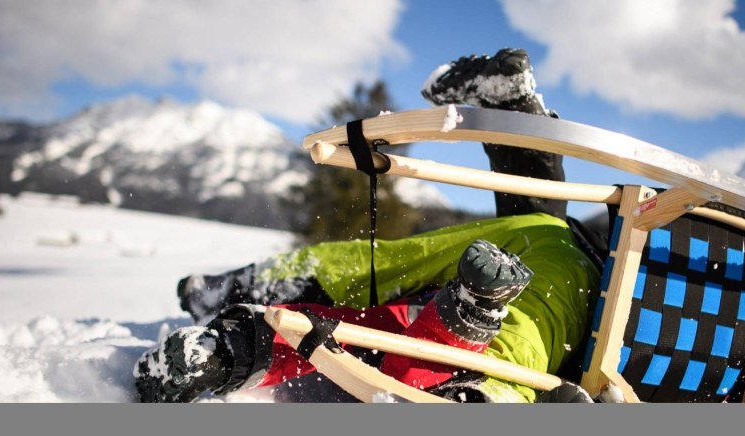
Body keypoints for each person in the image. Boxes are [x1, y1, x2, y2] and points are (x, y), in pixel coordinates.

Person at [135, 49, 605, 403]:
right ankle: (227, 292)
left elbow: (383, 330)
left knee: (411, 269)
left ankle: (231, 292)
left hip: (583, 277)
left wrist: (238, 347)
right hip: (601, 295)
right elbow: (378, 331)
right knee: (422, 284)